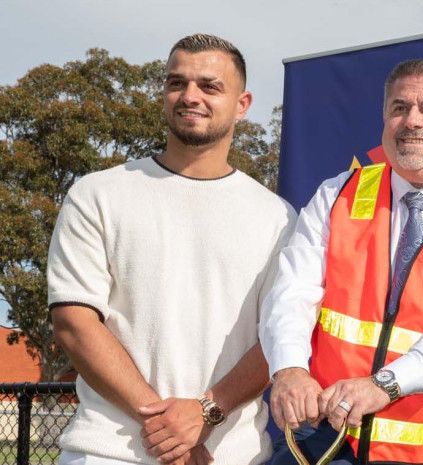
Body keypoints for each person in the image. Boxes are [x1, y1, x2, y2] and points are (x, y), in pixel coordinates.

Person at [260, 59, 423, 465]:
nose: (412, 121)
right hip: (332, 443)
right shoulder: (338, 194)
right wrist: (289, 369)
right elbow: (292, 291)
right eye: (399, 108)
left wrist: (383, 385)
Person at [47, 34, 296, 465]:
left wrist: (206, 413)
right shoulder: (97, 194)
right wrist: (168, 430)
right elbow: (75, 323)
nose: (189, 96)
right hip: (109, 453)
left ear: (242, 103)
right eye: (176, 83)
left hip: (232, 456)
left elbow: (278, 336)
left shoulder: (278, 217)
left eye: (209, 86)